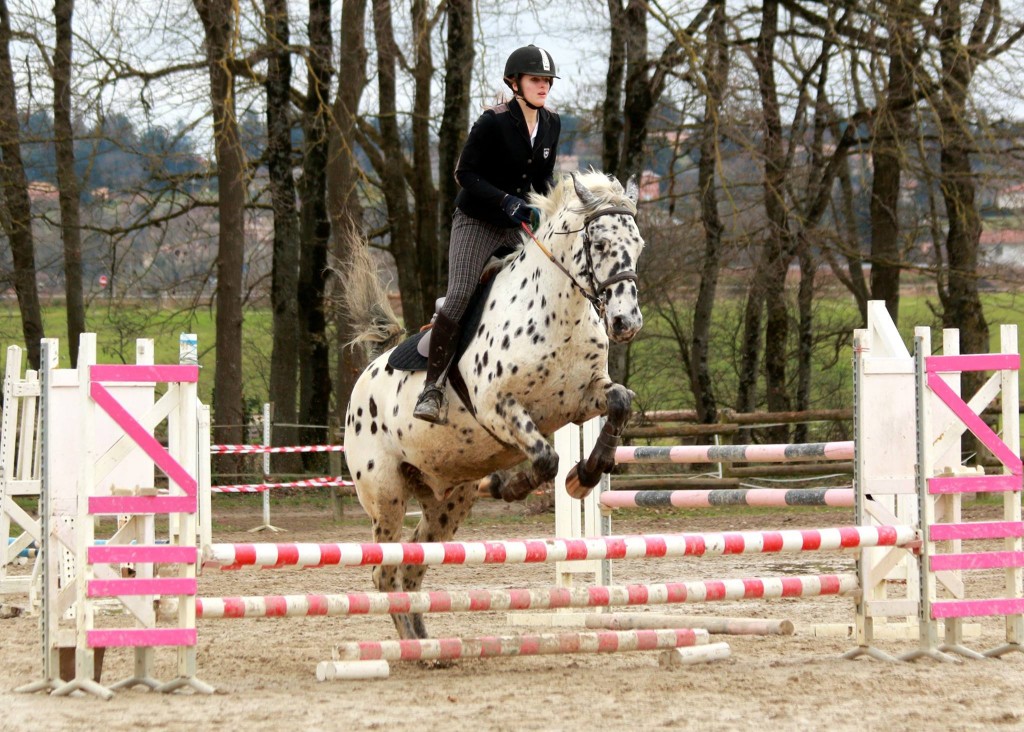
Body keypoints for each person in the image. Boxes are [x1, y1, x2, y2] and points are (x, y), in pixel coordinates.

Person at [414, 44, 561, 424]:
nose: (543, 87)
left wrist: (542, 209)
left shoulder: (551, 123)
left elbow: (542, 180)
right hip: (476, 221)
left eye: (547, 81)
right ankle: (432, 387)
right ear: (515, 83)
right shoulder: (493, 122)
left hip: (515, 227)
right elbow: (465, 174)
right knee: (462, 291)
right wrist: (504, 200)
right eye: (535, 80)